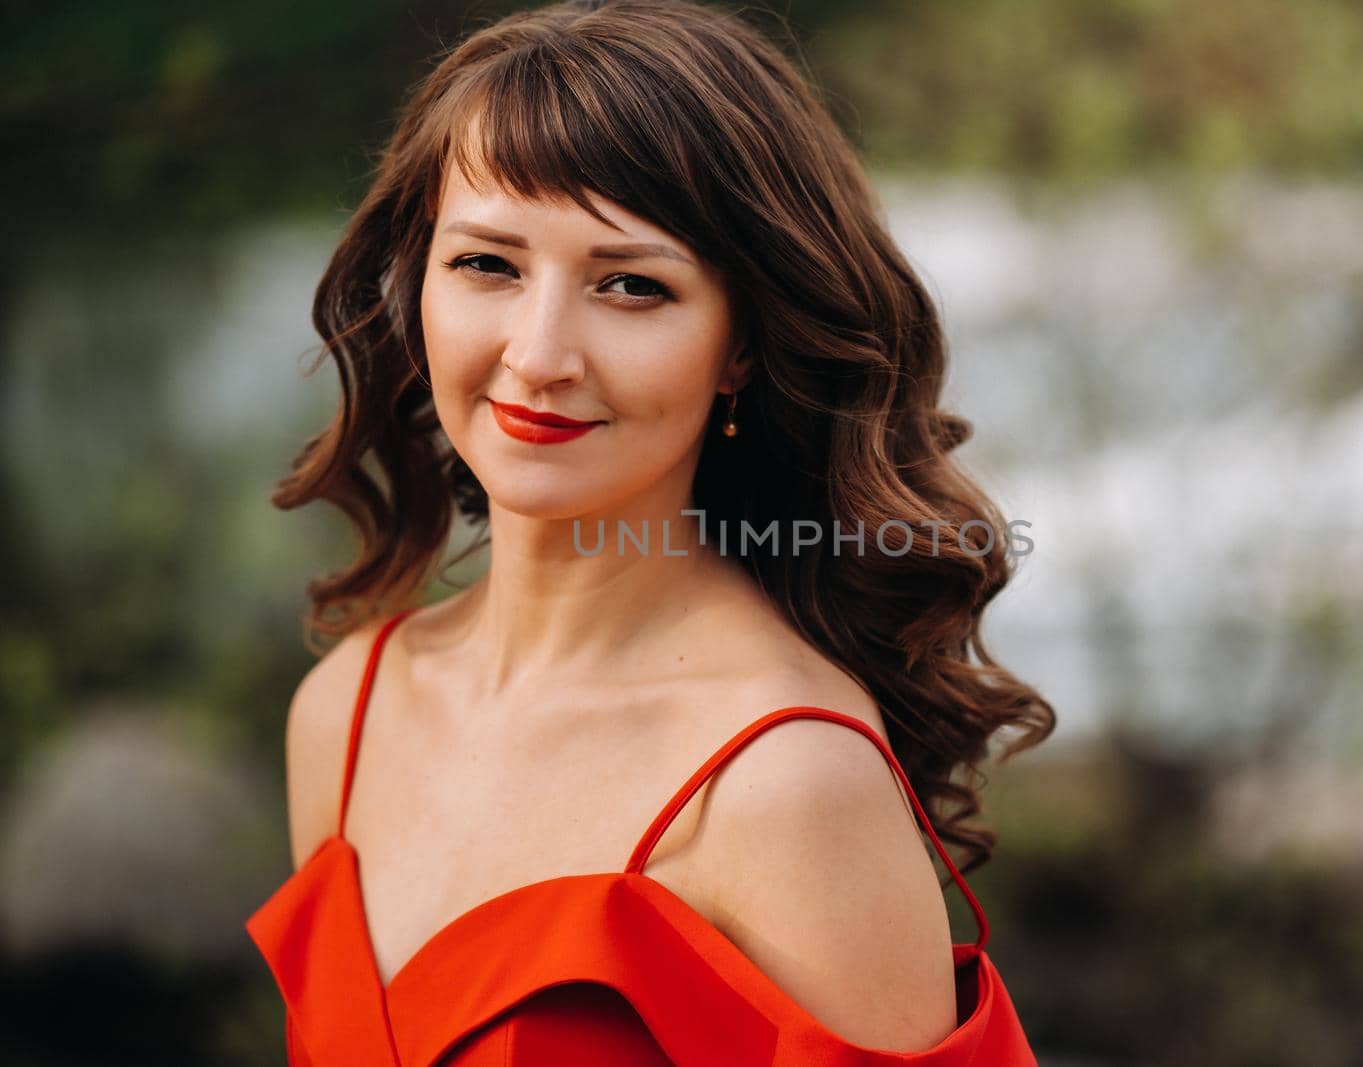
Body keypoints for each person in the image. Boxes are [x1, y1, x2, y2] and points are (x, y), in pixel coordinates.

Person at [244, 0, 1055, 1062]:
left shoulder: (786, 782)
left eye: (631, 285)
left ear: (742, 348)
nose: (538, 354)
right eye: (487, 264)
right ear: (417, 282)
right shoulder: (343, 713)